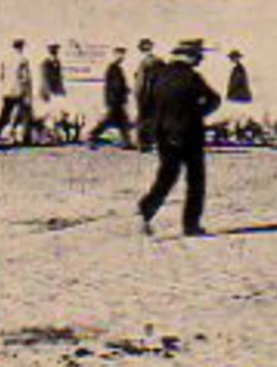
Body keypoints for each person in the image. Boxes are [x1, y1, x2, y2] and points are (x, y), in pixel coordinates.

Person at [137, 38, 221, 237]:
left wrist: (149, 130)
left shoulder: (158, 76)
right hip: (189, 134)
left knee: (166, 176)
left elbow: (145, 105)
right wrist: (197, 113)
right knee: (195, 180)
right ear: (189, 57)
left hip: (164, 135)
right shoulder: (192, 77)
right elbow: (214, 99)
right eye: (197, 57)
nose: (199, 61)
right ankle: (190, 225)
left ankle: (146, 210)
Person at [87, 46, 137, 149]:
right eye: (119, 55)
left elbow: (117, 85)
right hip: (114, 100)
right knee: (110, 120)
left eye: (123, 55)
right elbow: (115, 86)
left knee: (122, 122)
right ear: (114, 55)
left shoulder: (117, 68)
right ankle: (92, 135)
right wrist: (124, 90)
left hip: (116, 100)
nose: (122, 57)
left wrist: (126, 89)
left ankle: (127, 143)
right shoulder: (113, 68)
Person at [0, 38, 34, 146]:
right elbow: (25, 78)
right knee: (26, 114)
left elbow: (1, 76)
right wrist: (28, 92)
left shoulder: (6, 59)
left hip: (7, 91)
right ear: (21, 47)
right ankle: (26, 138)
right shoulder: (23, 60)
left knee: (5, 114)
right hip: (19, 91)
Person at [133, 37, 161, 150]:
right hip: (144, 94)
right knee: (145, 118)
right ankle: (145, 142)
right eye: (144, 46)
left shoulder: (151, 61)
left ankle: (145, 142)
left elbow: (144, 80)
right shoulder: (147, 62)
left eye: (148, 46)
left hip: (146, 94)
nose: (147, 49)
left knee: (146, 118)